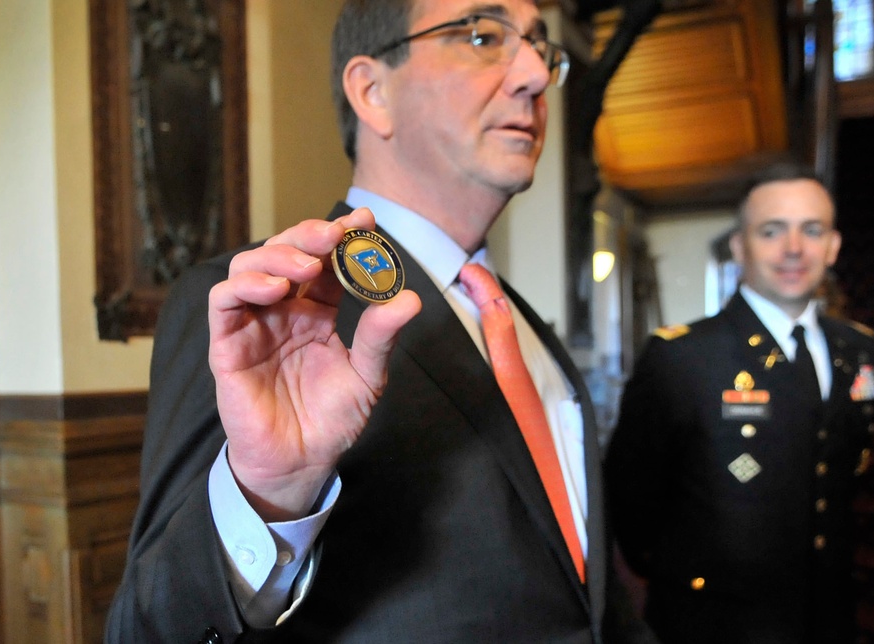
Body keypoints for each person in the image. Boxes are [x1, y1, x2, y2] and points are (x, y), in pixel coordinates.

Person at [105, 0, 653, 642]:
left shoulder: (532, 335)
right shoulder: (263, 310)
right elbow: (146, 631)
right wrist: (269, 494)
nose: (535, 73)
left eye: (539, 46)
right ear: (372, 90)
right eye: (483, 35)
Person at [604, 163, 874, 644]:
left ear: (832, 246)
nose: (793, 248)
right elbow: (631, 501)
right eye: (771, 230)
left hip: (827, 613)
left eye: (811, 230)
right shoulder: (683, 356)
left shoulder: (857, 349)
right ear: (739, 246)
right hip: (715, 620)